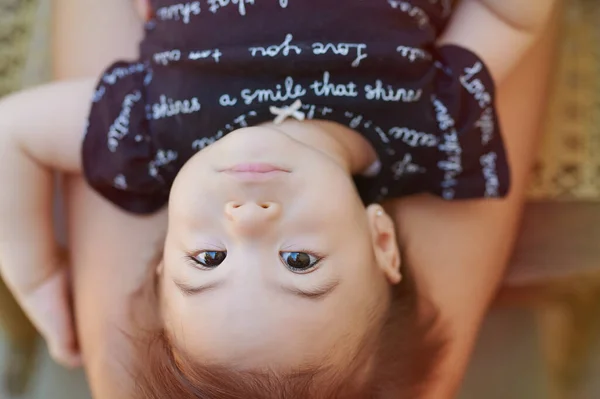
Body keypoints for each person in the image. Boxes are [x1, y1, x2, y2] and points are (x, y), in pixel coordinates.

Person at [0, 0, 557, 397]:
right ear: (381, 241)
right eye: (299, 262)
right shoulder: (431, 126)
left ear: (163, 260)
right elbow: (509, 16)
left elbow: (10, 134)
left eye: (208, 259)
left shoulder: (148, 134)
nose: (245, 221)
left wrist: (37, 277)